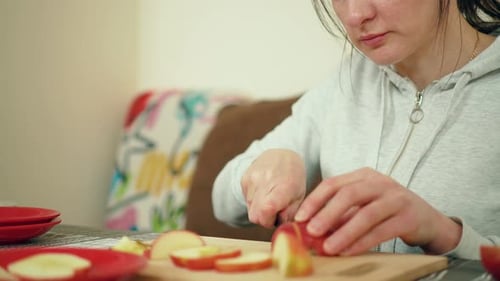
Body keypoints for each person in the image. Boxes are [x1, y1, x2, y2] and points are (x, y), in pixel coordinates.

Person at [212, 0, 500, 260]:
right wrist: (271, 163)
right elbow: (222, 200)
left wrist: (444, 234)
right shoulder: (348, 80)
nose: (355, 15)